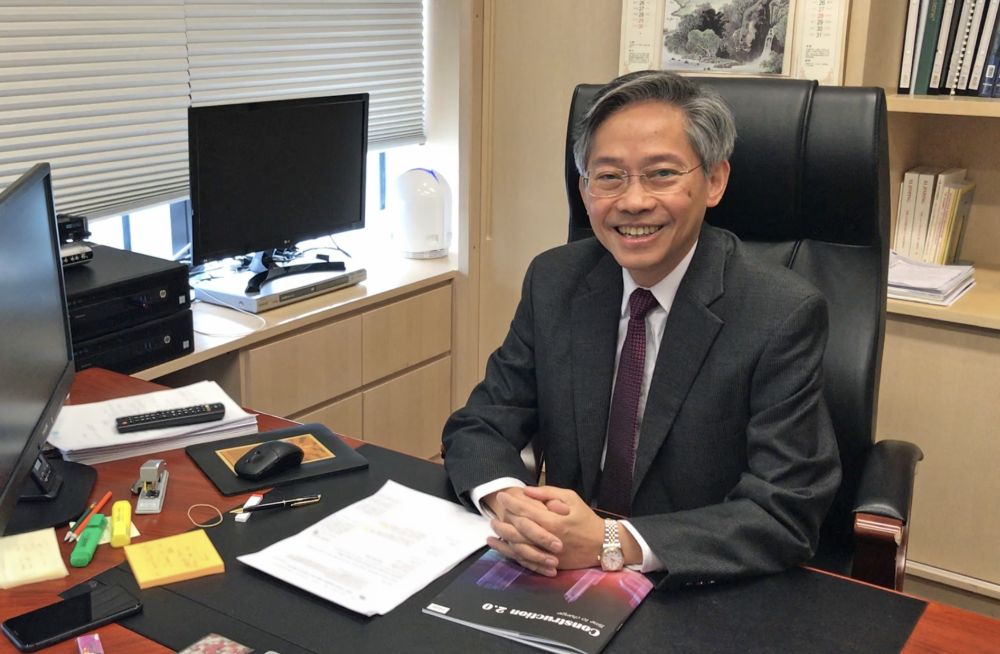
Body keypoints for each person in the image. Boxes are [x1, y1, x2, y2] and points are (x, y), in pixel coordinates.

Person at [442, 70, 840, 589]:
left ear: (714, 181)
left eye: (661, 174)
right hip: (556, 571)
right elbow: (481, 424)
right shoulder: (555, 280)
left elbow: (784, 511)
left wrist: (612, 542)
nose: (633, 202)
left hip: (694, 584)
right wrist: (509, 502)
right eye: (609, 177)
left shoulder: (780, 313)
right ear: (584, 190)